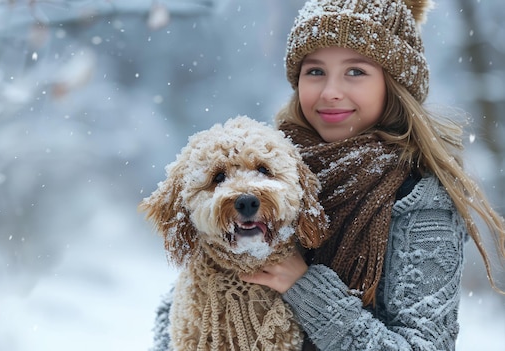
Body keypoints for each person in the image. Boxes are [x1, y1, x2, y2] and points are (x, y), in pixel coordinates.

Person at [150, 0, 505, 350]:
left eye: (356, 71)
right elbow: (178, 310)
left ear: (393, 84)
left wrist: (306, 289)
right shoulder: (274, 166)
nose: (331, 92)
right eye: (315, 71)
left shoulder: (423, 204)